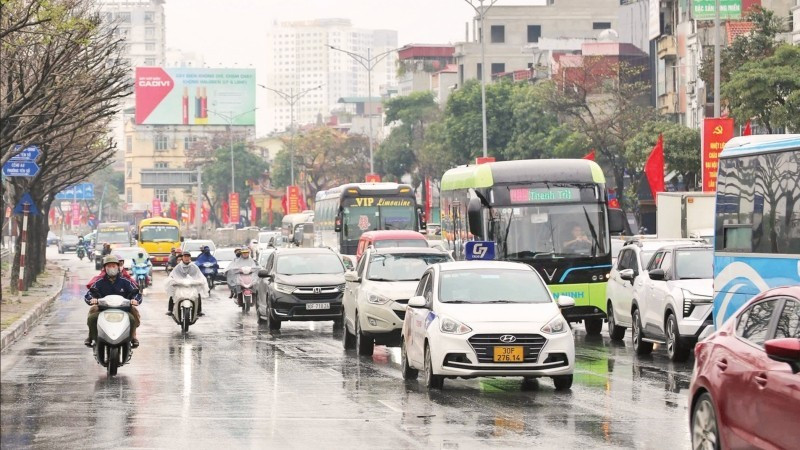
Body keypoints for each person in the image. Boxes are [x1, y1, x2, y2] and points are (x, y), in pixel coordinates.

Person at [85, 255, 142, 348]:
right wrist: (92, 299)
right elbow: (89, 293)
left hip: (124, 309)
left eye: (114, 266)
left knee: (133, 317)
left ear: (118, 267)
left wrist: (135, 300)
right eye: (109, 266)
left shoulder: (126, 281)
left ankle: (133, 337)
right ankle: (91, 336)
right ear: (105, 268)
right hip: (102, 309)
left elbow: (136, 293)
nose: (111, 268)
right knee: (92, 316)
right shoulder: (99, 282)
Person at [166, 250, 207, 316]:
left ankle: (199, 311)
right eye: (185, 256)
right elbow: (173, 275)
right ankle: (170, 310)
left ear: (190, 258)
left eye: (188, 256)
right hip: (180, 286)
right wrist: (173, 281)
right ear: (182, 257)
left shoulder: (194, 267)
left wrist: (200, 281)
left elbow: (199, 276)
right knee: (173, 293)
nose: (186, 258)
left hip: (191, 286)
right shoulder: (178, 267)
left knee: (197, 295)